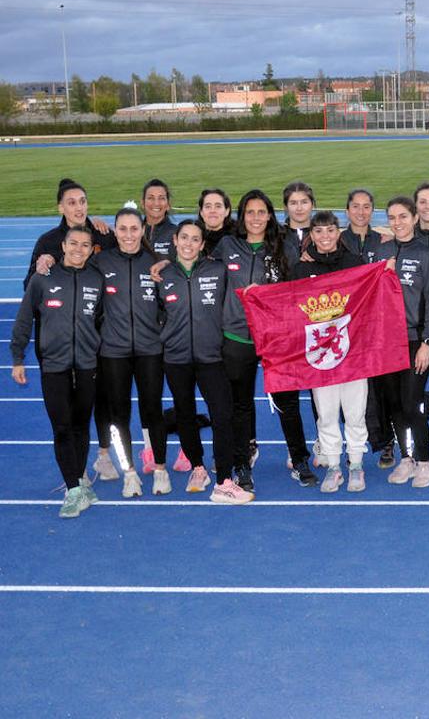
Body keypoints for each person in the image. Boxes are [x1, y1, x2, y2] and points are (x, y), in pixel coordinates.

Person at [213, 189, 315, 491]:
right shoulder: (227, 245)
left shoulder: (285, 245)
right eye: (250, 212)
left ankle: (299, 459)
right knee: (241, 405)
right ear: (241, 216)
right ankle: (242, 464)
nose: (256, 218)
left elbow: (298, 289)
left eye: (261, 212)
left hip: (277, 337)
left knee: (288, 402)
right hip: (237, 335)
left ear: (270, 215)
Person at [26, 179, 118, 481]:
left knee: (98, 402)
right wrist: (43, 266)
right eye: (72, 202)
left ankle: (102, 456)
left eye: (82, 201)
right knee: (64, 415)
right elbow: (30, 289)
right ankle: (73, 475)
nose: (79, 207)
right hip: (56, 344)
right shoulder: (47, 242)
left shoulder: (102, 233)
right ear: (60, 207)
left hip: (94, 343)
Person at [11, 227, 104, 518]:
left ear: (91, 249)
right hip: (54, 366)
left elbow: (100, 320)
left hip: (87, 365)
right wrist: (17, 358)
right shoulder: (42, 280)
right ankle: (73, 489)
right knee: (62, 427)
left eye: (85, 245)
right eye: (73, 243)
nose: (78, 249)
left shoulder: (96, 279)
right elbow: (25, 319)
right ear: (63, 245)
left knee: (81, 426)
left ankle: (80, 481)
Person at [156, 220, 251, 504]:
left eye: (195, 239)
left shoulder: (217, 270)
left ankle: (223, 479)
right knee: (185, 415)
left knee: (222, 415)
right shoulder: (163, 275)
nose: (188, 243)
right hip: (176, 358)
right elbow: (155, 315)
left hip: (211, 356)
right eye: (184, 237)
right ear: (175, 240)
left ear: (202, 244)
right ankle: (198, 467)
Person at [291, 211, 371, 493]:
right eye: (318, 231)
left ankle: (357, 466)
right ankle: (335, 467)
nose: (325, 236)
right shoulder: (300, 269)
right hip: (319, 357)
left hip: (352, 353)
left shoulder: (355, 263)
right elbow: (289, 309)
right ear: (311, 235)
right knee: (325, 414)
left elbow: (371, 301)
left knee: (355, 413)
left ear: (339, 232)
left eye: (330, 230)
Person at [94, 208, 169, 498]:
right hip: (113, 351)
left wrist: (160, 332)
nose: (128, 235)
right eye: (122, 229)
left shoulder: (157, 264)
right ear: (115, 231)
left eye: (133, 229)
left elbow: (168, 304)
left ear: (142, 230)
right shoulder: (101, 262)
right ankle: (130, 473)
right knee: (118, 415)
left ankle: (160, 470)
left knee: (152, 411)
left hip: (150, 350)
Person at [378, 196, 429, 488]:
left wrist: (427, 342)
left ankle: (425, 460)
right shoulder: (380, 253)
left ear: (415, 218)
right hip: (385, 343)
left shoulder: (426, 254)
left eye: (403, 216)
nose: (397, 222)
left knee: (411, 401)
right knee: (393, 403)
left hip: (416, 340)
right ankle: (406, 458)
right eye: (392, 217)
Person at [340, 188, 397, 465]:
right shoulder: (336, 241)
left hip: (379, 327)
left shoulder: (386, 241)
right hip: (346, 329)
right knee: (349, 390)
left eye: (366, 207)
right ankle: (354, 442)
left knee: (381, 386)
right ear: (347, 210)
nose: (361, 212)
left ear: (372, 211)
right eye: (355, 206)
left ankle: (385, 441)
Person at [280, 180, 316, 266]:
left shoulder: (325, 236)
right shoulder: (277, 236)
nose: (299, 208)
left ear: (312, 204)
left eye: (304, 202)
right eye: (293, 203)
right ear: (286, 207)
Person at [141, 178, 176, 257]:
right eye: (151, 198)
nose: (156, 203)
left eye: (161, 198)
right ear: (143, 203)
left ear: (168, 205)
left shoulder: (178, 234)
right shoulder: (132, 233)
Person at [198, 188, 235, 257]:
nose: (212, 211)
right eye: (208, 206)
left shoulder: (238, 238)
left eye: (218, 206)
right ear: (201, 212)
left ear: (227, 211)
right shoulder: (192, 236)